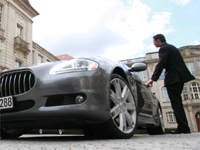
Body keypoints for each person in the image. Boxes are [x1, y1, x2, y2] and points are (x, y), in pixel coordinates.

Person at [146, 34, 195, 134]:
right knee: (178, 103)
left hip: (173, 79)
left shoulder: (163, 49)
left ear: (158, 40)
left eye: (154, 41)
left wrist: (153, 79)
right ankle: (184, 127)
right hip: (180, 77)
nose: (154, 43)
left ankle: (183, 128)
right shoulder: (171, 47)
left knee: (176, 103)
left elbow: (161, 64)